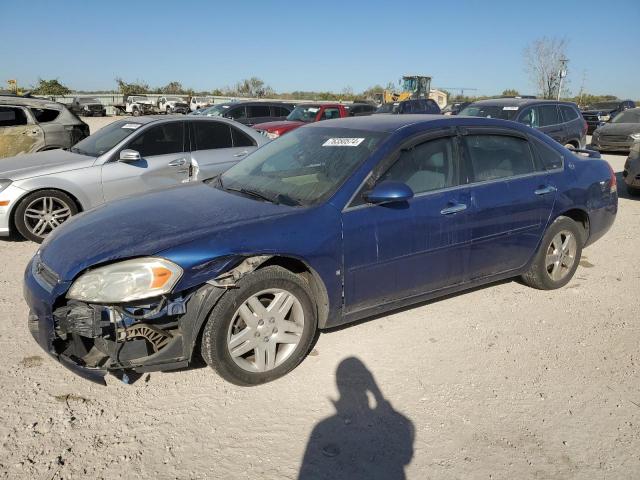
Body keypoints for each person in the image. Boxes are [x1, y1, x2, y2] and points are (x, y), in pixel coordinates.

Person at [298, 357, 414, 479]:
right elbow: (406, 457)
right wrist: (379, 398)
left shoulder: (322, 426)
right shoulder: (403, 422)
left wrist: (379, 398)